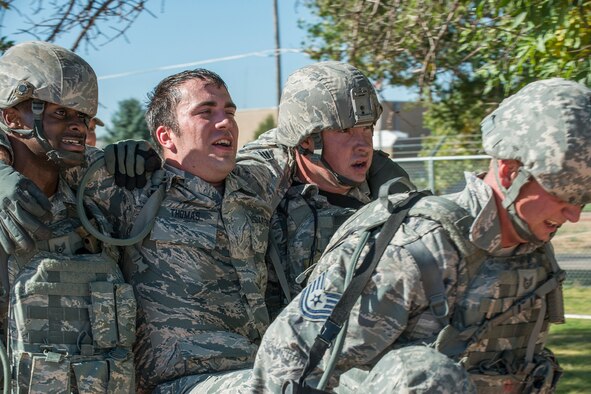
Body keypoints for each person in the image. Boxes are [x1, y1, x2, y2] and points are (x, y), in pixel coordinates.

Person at [247, 78, 591, 393]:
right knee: (423, 374)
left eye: (582, 198)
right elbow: (286, 359)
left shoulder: (531, 251)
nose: (574, 214)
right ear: (508, 171)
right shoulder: (412, 250)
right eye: (561, 193)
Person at [68, 69, 290, 394]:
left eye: (229, 111)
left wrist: (383, 168)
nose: (225, 121)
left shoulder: (254, 183)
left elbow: (297, 137)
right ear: (166, 136)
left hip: (255, 370)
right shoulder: (131, 187)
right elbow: (35, 144)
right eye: (205, 112)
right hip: (177, 383)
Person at [0, 41, 144, 392]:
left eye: (83, 116)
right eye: (60, 114)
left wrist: (150, 159)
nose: (79, 126)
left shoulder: (94, 197)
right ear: (13, 117)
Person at [239, 62, 412, 318]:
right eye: (344, 130)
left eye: (366, 128)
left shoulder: (388, 197)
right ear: (307, 140)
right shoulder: (261, 199)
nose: (363, 144)